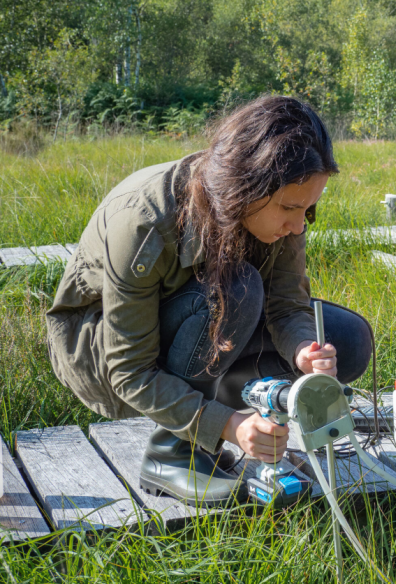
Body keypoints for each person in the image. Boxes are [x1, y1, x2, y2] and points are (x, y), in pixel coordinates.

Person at [45, 96, 372, 506]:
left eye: (309, 209)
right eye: (290, 208)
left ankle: (234, 414)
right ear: (244, 190)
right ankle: (174, 451)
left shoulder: (284, 206)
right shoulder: (144, 222)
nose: (298, 225)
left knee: (349, 340)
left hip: (205, 326)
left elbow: (287, 306)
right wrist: (227, 425)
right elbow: (128, 370)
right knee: (235, 291)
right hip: (103, 353)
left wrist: (304, 349)